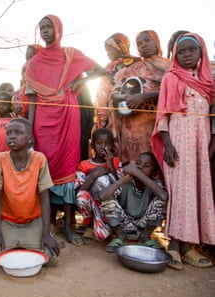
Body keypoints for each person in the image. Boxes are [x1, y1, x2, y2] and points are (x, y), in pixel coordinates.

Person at [25, 15, 105, 246]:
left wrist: (78, 84)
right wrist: (30, 130)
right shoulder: (35, 62)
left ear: (59, 29)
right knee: (45, 170)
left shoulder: (71, 55)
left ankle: (70, 226)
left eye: (49, 26)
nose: (46, 31)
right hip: (42, 123)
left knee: (68, 171)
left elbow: (98, 69)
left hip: (69, 118)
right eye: (42, 28)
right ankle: (48, 224)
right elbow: (31, 100)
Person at [151, 33, 215, 269]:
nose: (187, 55)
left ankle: (190, 244)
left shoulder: (207, 80)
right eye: (182, 52)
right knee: (181, 192)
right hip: (177, 142)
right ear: (175, 55)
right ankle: (176, 246)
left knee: (197, 192)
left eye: (191, 51)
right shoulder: (171, 77)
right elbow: (163, 113)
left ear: (201, 53)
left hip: (201, 143)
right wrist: (167, 143)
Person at [0, 118, 59, 265]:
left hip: (33, 221)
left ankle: (29, 240)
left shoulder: (39, 159)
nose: (12, 136)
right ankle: (19, 243)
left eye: (18, 133)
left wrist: (46, 234)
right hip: (8, 221)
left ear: (29, 139)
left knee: (51, 259)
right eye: (9, 133)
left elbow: (45, 198)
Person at [111, 30, 171, 164]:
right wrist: (127, 97)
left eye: (147, 41)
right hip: (132, 127)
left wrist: (145, 96)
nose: (143, 45)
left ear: (156, 41)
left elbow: (175, 91)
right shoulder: (130, 69)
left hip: (158, 125)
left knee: (156, 163)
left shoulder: (170, 67)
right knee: (134, 165)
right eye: (139, 43)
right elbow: (114, 95)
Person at [98, 152, 167, 253]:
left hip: (144, 226)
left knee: (161, 199)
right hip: (124, 225)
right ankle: (120, 237)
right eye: (138, 163)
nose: (140, 167)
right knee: (108, 199)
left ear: (154, 173)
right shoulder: (126, 181)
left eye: (146, 166)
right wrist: (121, 181)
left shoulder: (154, 184)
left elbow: (163, 196)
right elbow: (102, 196)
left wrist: (139, 174)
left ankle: (145, 238)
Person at [95, 33, 139, 157]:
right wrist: (102, 117)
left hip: (136, 112)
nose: (107, 54)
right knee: (116, 146)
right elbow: (102, 95)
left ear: (120, 47)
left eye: (110, 50)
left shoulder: (138, 64)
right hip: (114, 115)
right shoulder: (109, 69)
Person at [75, 128, 120, 243]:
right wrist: (94, 175)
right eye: (99, 143)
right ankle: (89, 222)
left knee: (101, 236)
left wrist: (110, 166)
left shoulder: (116, 162)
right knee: (81, 196)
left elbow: (120, 189)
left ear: (112, 146)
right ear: (92, 145)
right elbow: (79, 191)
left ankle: (108, 224)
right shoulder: (84, 165)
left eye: (107, 144)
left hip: (108, 206)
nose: (103, 147)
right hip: (92, 205)